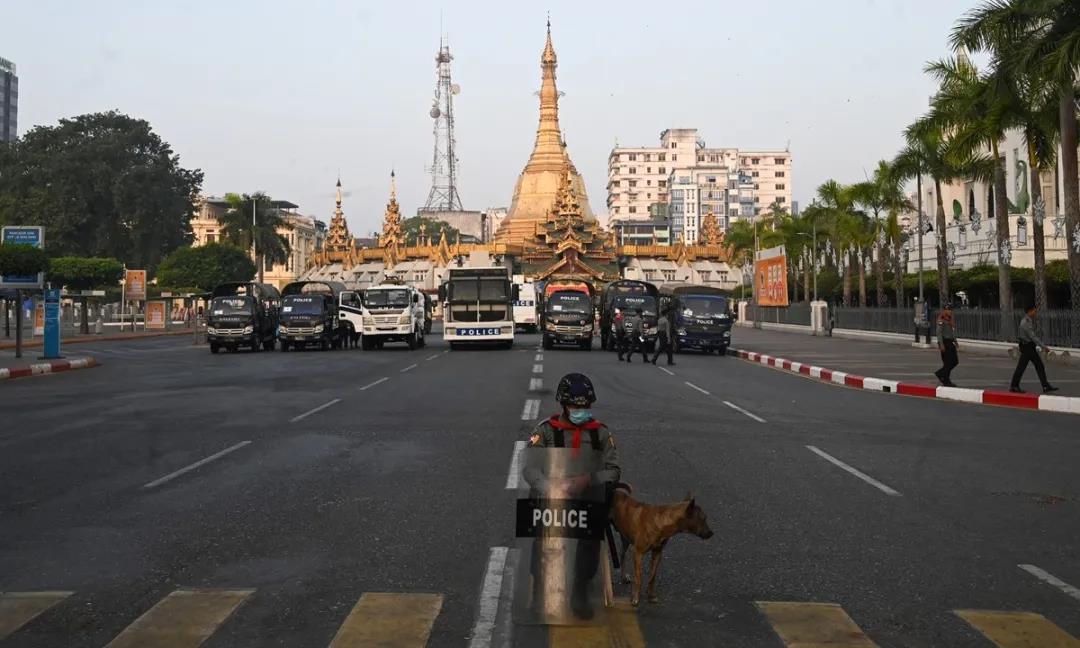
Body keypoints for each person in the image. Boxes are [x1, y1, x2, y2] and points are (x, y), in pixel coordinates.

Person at [526, 373, 621, 620]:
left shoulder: (600, 433)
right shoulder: (545, 430)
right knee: (542, 540)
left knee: (590, 539)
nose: (581, 410)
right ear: (564, 405)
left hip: (586, 496)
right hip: (552, 497)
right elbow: (530, 469)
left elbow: (613, 471)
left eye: (585, 406)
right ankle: (540, 590)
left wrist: (588, 480)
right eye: (575, 406)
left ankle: (580, 589)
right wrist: (549, 487)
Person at [1010, 305, 1059, 394]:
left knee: (1038, 366)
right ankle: (1014, 386)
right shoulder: (1025, 322)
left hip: (1029, 347)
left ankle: (1045, 386)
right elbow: (1033, 337)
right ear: (1030, 311)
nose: (1036, 312)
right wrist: (1043, 346)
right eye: (1034, 310)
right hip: (1027, 347)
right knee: (1022, 367)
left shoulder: (1028, 320)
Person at [934, 303, 959, 387]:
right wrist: (941, 345)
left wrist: (955, 341)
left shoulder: (950, 319)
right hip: (945, 342)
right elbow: (939, 333)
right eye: (948, 309)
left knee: (955, 361)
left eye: (950, 309)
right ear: (944, 310)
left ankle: (942, 375)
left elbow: (952, 331)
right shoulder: (941, 319)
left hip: (950, 342)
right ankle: (945, 379)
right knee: (948, 362)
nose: (949, 311)